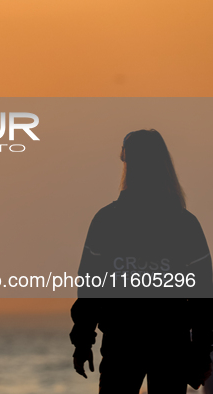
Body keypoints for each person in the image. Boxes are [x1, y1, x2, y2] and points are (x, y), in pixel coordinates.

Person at [69, 129, 213, 393]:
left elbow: (90, 288)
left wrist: (82, 343)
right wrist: (202, 351)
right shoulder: (184, 224)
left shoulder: (107, 221)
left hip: (123, 343)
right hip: (169, 345)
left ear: (127, 162)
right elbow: (203, 295)